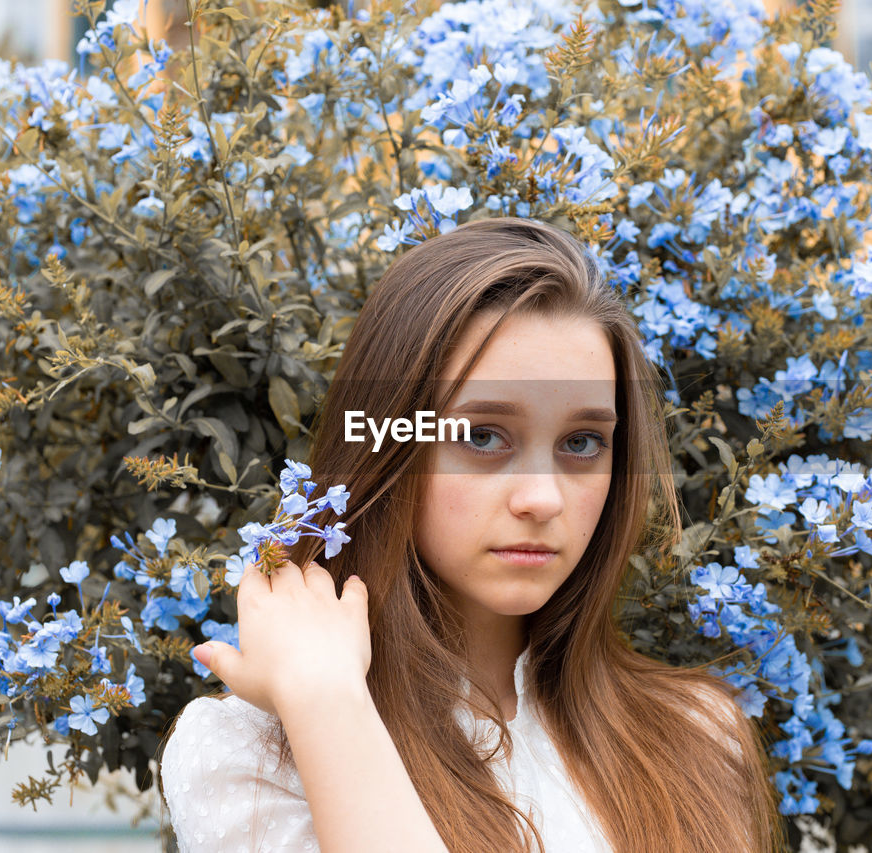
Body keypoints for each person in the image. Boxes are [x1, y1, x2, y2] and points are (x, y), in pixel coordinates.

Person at [159, 217, 782, 852]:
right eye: (482, 436)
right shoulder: (252, 756)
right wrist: (324, 699)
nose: (541, 498)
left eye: (583, 442)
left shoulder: (698, 736)